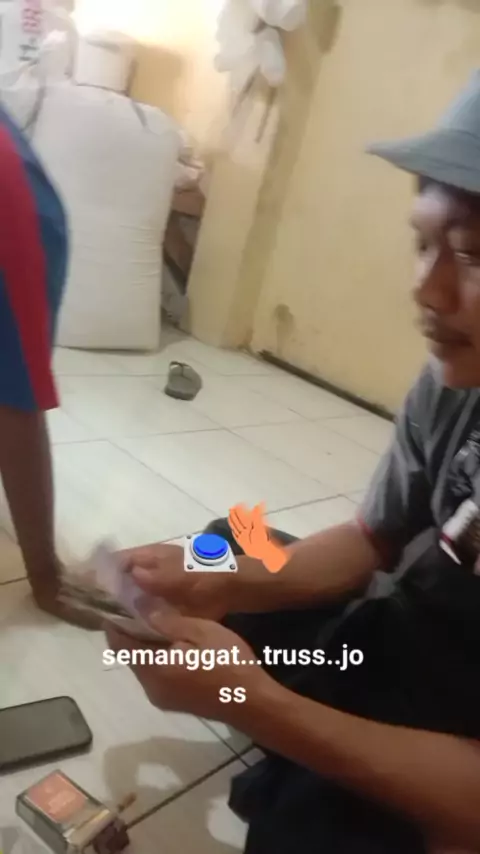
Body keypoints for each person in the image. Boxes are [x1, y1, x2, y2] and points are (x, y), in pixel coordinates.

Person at [107, 71, 480, 852]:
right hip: (419, 631)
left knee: (303, 828)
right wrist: (224, 581)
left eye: (475, 256)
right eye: (423, 242)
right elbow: (373, 538)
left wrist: (252, 702)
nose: (428, 289)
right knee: (223, 548)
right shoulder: (455, 377)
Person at [0, 104, 97, 627]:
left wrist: (45, 575)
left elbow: (15, 400)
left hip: (12, 212)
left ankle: (47, 576)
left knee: (12, 388)